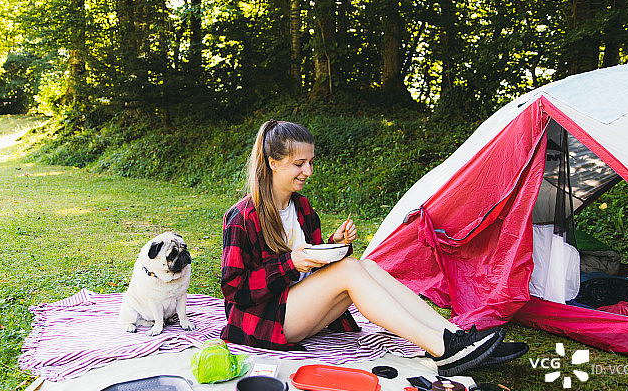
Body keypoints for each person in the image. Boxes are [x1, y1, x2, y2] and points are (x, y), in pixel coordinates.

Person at [220, 120, 513, 376]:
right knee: (350, 269)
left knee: (368, 266)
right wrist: (289, 264)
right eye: (299, 164)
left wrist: (334, 245)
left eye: (311, 161)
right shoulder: (242, 217)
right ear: (273, 162)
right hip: (264, 321)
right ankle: (440, 348)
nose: (308, 171)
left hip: (298, 313)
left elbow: (313, 267)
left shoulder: (302, 207)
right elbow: (234, 290)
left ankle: (457, 337)